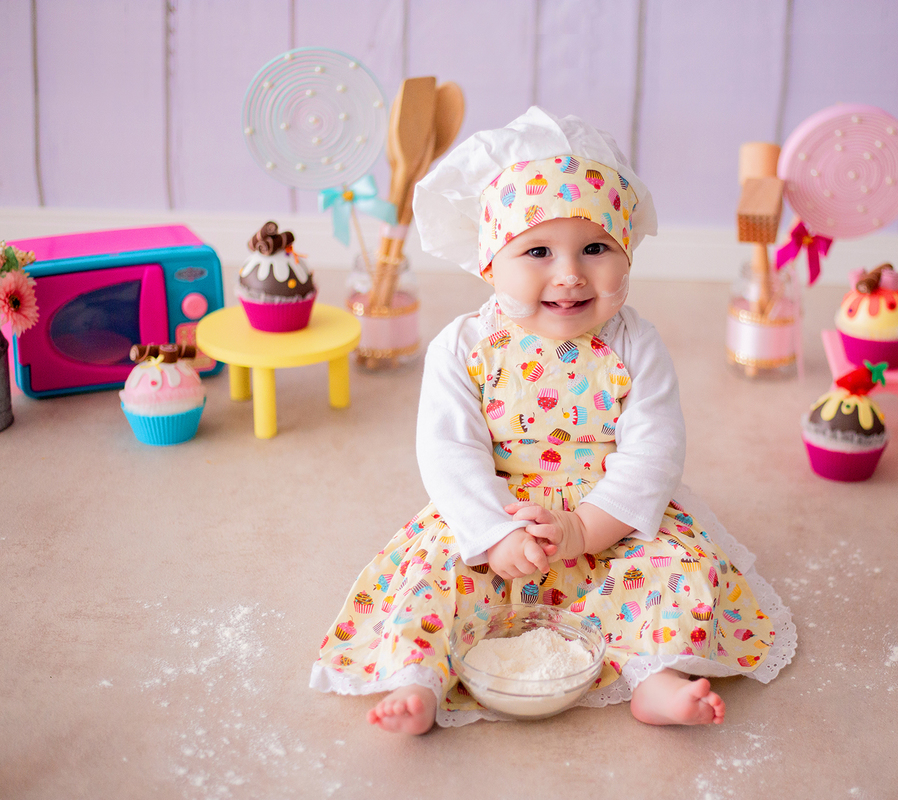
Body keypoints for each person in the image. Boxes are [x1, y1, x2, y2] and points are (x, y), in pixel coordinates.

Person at [310, 107, 795, 734]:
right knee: (433, 573)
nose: (569, 274)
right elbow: (448, 453)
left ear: (626, 256)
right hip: (499, 514)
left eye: (595, 248)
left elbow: (653, 456)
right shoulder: (463, 347)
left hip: (610, 515)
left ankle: (656, 673)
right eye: (537, 250)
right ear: (490, 263)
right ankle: (419, 677)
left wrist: (582, 530)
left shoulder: (634, 344)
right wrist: (490, 531)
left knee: (673, 568)